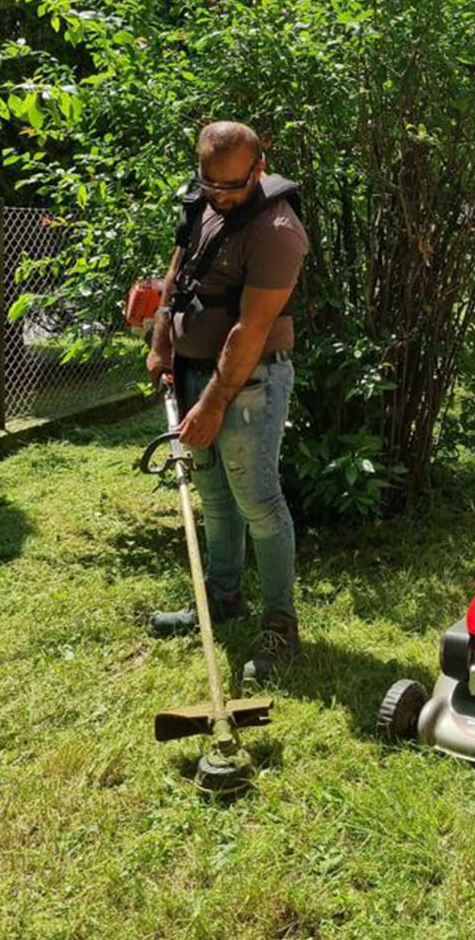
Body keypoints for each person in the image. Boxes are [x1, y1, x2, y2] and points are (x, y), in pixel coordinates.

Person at [146, 120, 309, 683]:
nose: (221, 197)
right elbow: (177, 271)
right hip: (193, 371)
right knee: (213, 496)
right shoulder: (201, 202)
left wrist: (214, 404)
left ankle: (280, 625)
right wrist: (162, 342)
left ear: (260, 167)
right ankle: (222, 597)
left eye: (233, 188)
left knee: (258, 501)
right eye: (211, 186)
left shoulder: (278, 230)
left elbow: (250, 331)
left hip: (250, 382)